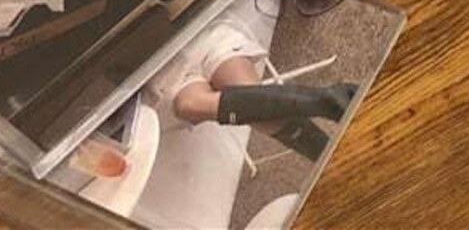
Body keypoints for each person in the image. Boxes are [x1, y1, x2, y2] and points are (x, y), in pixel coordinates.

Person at [144, 17, 355, 160]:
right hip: (162, 73)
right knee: (188, 106)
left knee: (250, 100)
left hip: (201, 34)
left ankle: (328, 151)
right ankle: (325, 105)